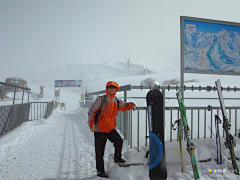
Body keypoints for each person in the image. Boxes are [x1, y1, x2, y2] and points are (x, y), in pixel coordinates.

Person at [88, 81, 136, 178]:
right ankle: (100, 171)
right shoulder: (101, 99)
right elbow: (92, 111)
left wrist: (131, 105)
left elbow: (123, 106)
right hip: (99, 129)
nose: (111, 89)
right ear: (107, 88)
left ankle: (117, 158)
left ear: (116, 89)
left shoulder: (116, 100)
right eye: (109, 87)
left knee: (119, 140)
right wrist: (91, 124)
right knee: (100, 151)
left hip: (110, 128)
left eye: (113, 88)